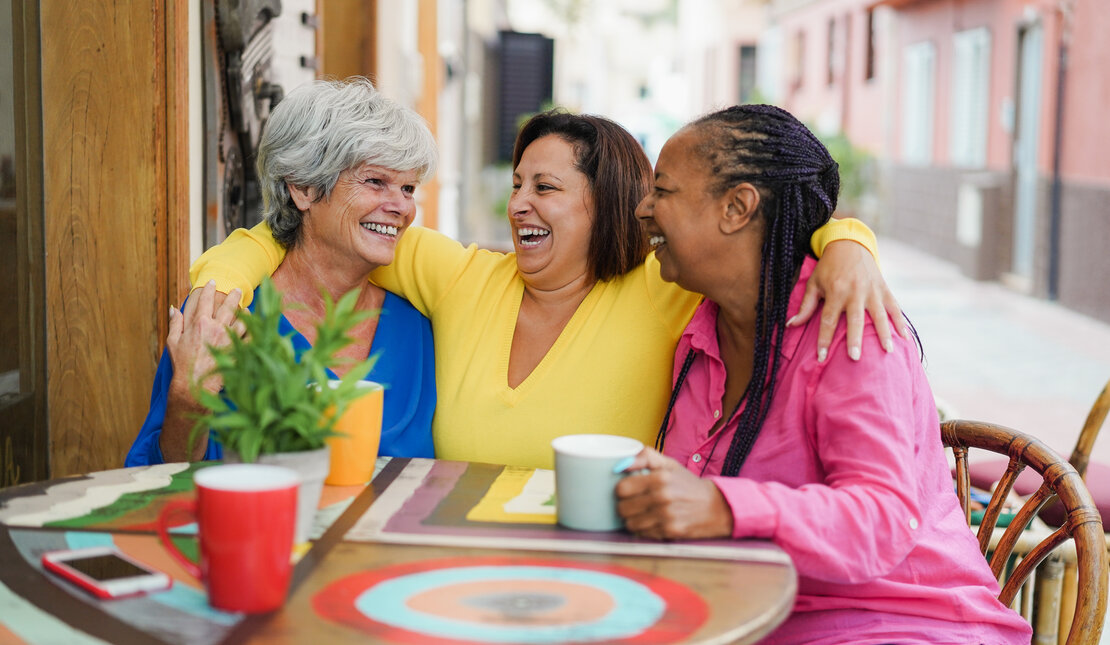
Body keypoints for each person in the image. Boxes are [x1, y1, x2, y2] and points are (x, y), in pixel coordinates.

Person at [188, 109, 902, 470]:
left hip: (594, 576)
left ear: (611, 202)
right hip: (452, 571)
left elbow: (768, 236)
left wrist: (847, 242)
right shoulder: (463, 275)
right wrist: (219, 287)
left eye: (548, 187)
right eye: (518, 184)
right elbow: (315, 232)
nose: (520, 204)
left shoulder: (665, 288)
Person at [616, 104, 1031, 643]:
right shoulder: (700, 336)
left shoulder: (850, 329)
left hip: (902, 623)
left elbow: (881, 517)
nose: (643, 209)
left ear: (737, 207)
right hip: (753, 617)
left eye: (664, 191)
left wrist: (721, 505)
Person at [126, 78, 438, 466]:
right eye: (375, 181)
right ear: (303, 188)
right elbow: (161, 476)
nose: (401, 207)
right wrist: (189, 395)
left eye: (408, 188)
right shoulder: (220, 314)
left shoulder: (418, 326)